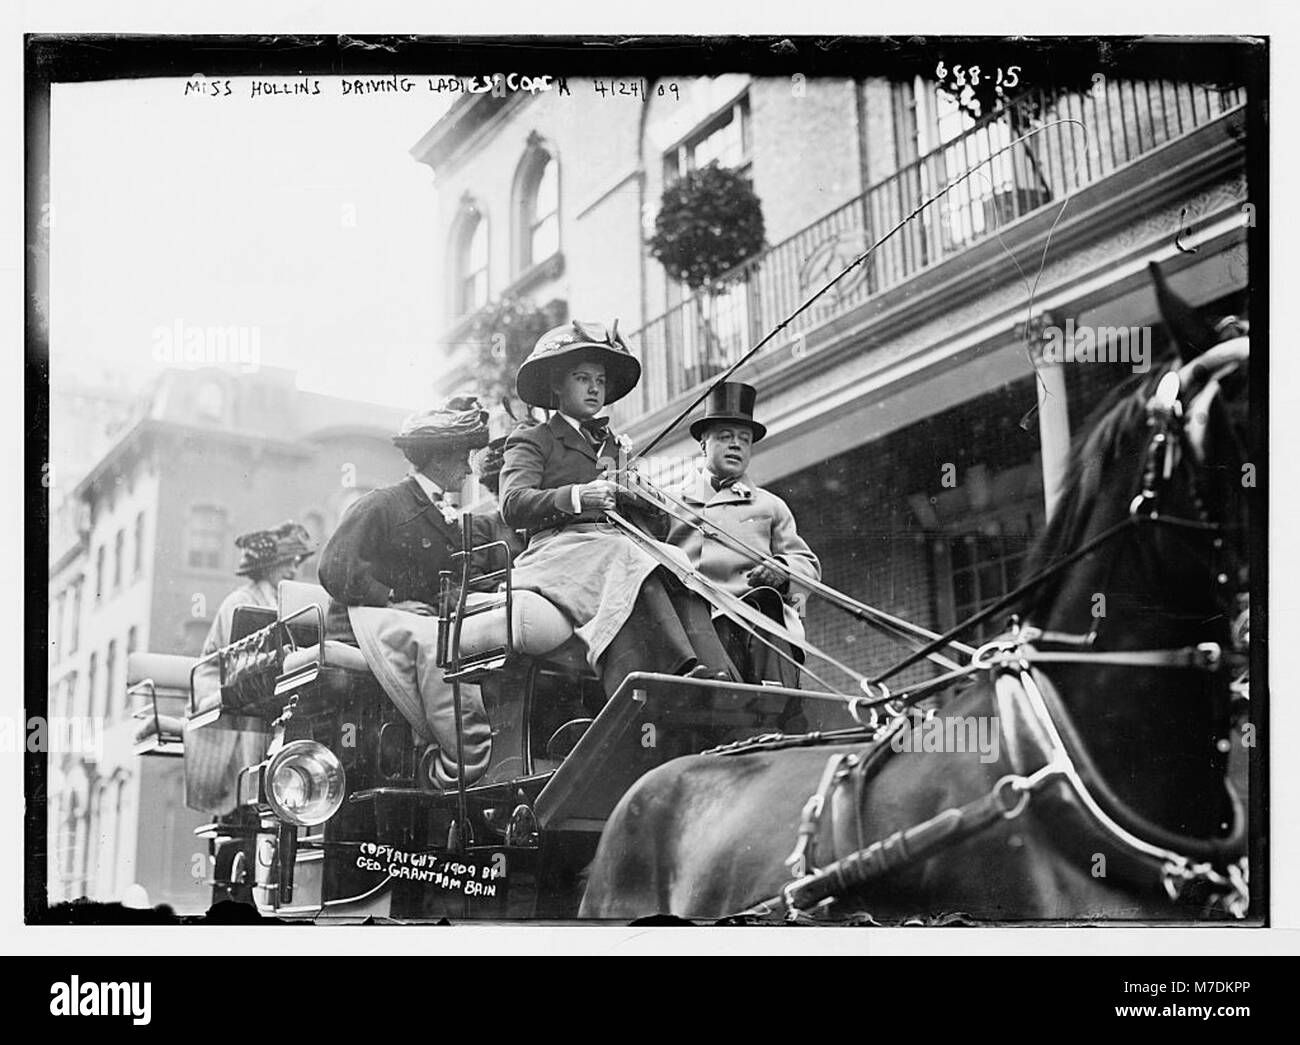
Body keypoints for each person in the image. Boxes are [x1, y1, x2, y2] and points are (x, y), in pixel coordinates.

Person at [498, 318, 738, 699]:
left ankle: (718, 674)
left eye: (600, 380)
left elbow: (652, 529)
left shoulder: (615, 446)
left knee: (674, 559)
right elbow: (513, 504)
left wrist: (643, 500)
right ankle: (668, 673)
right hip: (558, 551)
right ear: (558, 384)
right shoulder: (532, 440)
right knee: (629, 556)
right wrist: (579, 497)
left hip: (610, 548)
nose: (594, 388)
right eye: (581, 378)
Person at [316, 395, 493, 789]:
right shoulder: (382, 504)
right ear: (438, 458)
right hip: (362, 621)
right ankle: (460, 758)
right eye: (463, 457)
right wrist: (391, 598)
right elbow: (334, 568)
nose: (467, 469)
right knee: (437, 646)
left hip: (410, 621)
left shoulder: (448, 518)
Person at [666, 382, 821, 688]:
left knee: (765, 608)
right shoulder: (668, 503)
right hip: (694, 628)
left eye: (744, 439)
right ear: (703, 444)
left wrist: (784, 571)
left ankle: (780, 706)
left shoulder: (770, 505)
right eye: (725, 437)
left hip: (758, 624)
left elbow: (809, 566)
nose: (736, 445)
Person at [186, 521, 315, 814]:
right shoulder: (240, 601)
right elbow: (237, 658)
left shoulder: (281, 599)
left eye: (294, 562)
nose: (292, 569)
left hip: (258, 678)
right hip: (218, 683)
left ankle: (278, 786)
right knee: (252, 709)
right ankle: (250, 795)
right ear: (267, 565)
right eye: (285, 562)